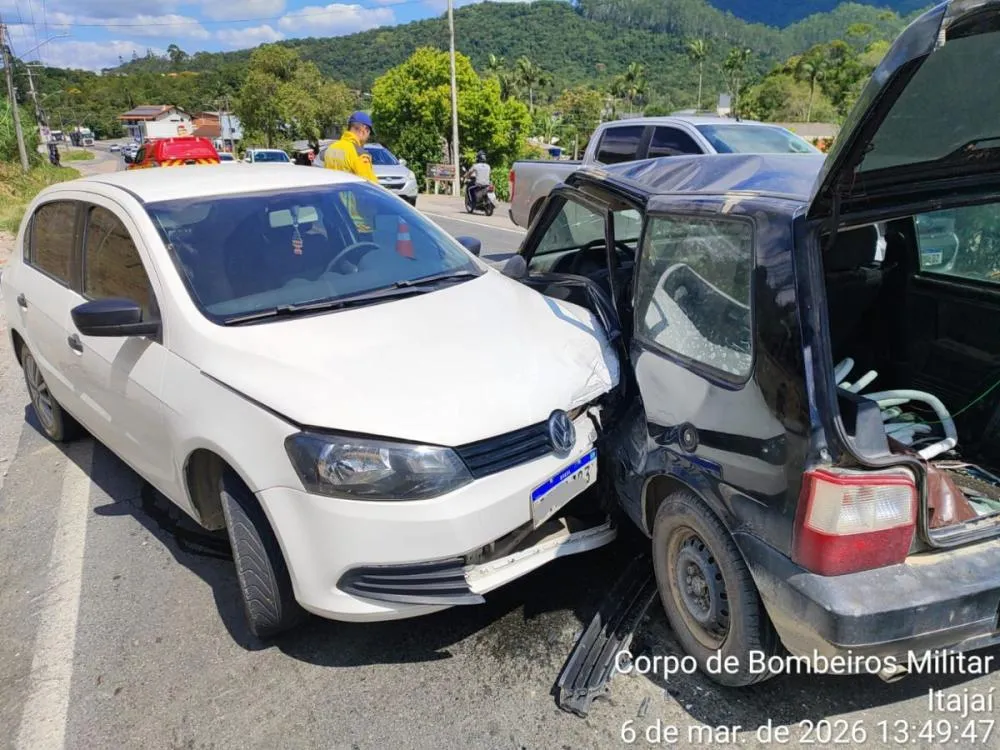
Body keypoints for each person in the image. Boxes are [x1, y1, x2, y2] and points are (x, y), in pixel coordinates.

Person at [324, 111, 378, 184]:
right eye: (369, 133)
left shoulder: (331, 148)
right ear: (364, 130)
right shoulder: (359, 154)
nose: (368, 137)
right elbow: (371, 185)